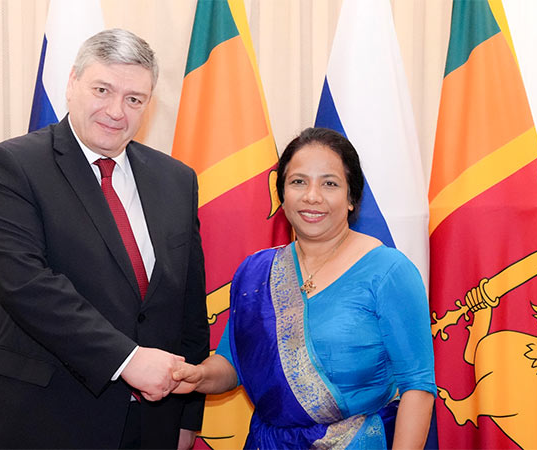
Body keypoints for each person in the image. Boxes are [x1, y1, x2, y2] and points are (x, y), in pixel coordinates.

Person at [0, 29, 209, 449]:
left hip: (150, 423)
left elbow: (188, 303)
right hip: (42, 419)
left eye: (134, 99)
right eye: (102, 89)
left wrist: (187, 414)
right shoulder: (12, 166)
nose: (116, 111)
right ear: (72, 82)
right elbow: (28, 287)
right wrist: (128, 360)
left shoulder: (177, 180)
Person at [172, 127, 436, 449]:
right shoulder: (255, 272)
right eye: (299, 182)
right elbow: (233, 365)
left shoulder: (389, 272)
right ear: (282, 193)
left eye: (329, 183)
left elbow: (418, 387)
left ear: (352, 198)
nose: (312, 196)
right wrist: (198, 377)